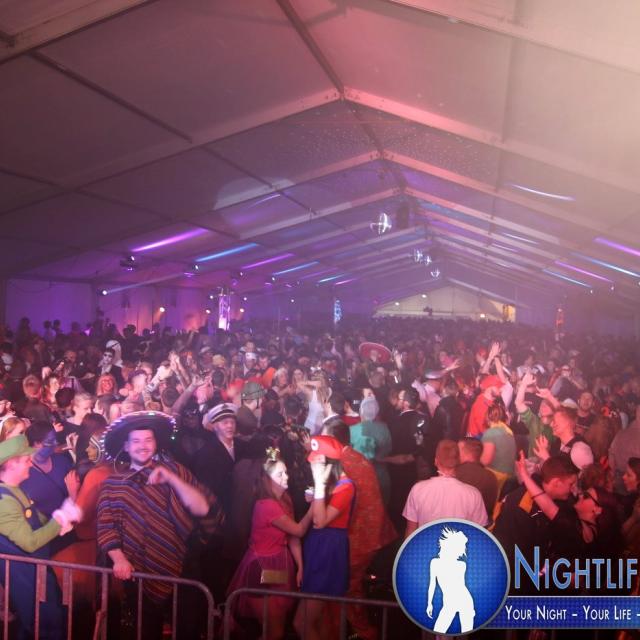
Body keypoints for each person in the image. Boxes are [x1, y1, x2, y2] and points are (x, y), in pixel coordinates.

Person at [97, 412, 213, 640]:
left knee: (187, 630)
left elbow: (202, 508)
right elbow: (105, 525)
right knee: (145, 631)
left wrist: (171, 479)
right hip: (137, 570)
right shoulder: (113, 484)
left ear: (156, 443)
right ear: (126, 446)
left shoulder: (176, 470)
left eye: (148, 440)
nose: (143, 446)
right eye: (136, 441)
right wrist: (119, 559)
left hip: (182, 565)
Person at [0, 435, 80, 639]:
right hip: (24, 574)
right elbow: (30, 542)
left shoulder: (15, 491)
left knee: (44, 621)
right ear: (11, 464)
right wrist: (60, 519)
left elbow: (37, 521)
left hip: (36, 569)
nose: (31, 463)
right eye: (26, 460)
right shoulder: (4, 501)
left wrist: (62, 514)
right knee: (41, 624)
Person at [227, 449, 312, 640]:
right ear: (267, 479)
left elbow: (293, 537)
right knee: (273, 629)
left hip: (280, 563)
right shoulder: (267, 505)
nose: (286, 477)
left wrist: (300, 566)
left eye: (286, 472)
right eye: (280, 474)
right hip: (262, 567)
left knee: (276, 629)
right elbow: (299, 530)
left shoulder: (285, 500)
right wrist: (316, 505)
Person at [293, 436, 355, 640]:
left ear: (330, 464)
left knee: (302, 623)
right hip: (320, 547)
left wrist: (319, 487)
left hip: (328, 551)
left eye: (317, 463)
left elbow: (320, 521)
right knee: (318, 621)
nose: (313, 467)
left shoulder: (346, 486)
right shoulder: (333, 484)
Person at [403, 440, 488, 538]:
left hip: (425, 546)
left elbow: (411, 530)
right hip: (458, 548)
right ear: (458, 461)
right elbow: (478, 535)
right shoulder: (473, 494)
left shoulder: (418, 489)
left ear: (436, 461)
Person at [426, 527, 475, 634]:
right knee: (438, 632)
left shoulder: (462, 565)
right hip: (449, 603)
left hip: (464, 601)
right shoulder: (435, 563)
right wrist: (429, 603)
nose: (462, 551)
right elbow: (432, 584)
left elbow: (460, 586)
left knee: (466, 633)